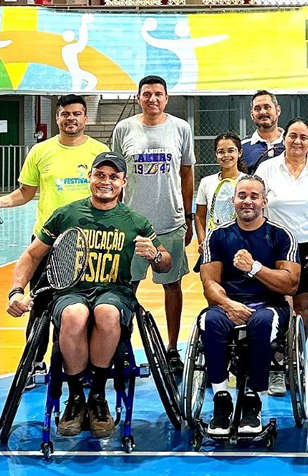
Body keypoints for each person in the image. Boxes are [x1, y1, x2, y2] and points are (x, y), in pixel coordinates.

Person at [6, 152, 172, 438]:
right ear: (89, 177)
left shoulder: (135, 220)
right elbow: (32, 256)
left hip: (114, 292)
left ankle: (97, 396)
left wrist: (155, 256)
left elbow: (165, 261)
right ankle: (75, 398)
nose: (106, 181)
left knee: (106, 313)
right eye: (100, 175)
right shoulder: (67, 214)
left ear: (124, 182)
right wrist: (16, 292)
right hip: (71, 292)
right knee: (74, 314)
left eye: (113, 177)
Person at [0, 94, 108, 387]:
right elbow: (25, 193)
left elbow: (110, 193)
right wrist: (0, 202)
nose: (71, 118)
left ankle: (84, 364)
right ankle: (34, 363)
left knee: (87, 306)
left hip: (90, 241)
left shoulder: (99, 151)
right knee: (39, 305)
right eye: (65, 114)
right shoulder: (40, 151)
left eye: (76, 113)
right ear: (57, 117)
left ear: (85, 118)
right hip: (48, 241)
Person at [200, 175, 300, 435]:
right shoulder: (217, 236)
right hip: (228, 304)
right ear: (233, 201)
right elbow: (209, 283)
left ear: (264, 202)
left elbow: (290, 284)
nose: (248, 201)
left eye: (254, 196)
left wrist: (254, 268)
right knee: (209, 320)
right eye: (242, 196)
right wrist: (228, 304)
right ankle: (221, 399)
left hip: (269, 304)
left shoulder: (281, 235)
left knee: (263, 322)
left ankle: (253, 400)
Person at [111, 75, 195, 373]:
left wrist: (188, 216)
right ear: (138, 98)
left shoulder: (181, 128)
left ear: (166, 98)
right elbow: (115, 175)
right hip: (131, 227)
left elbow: (187, 174)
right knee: (127, 289)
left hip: (170, 223)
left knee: (172, 286)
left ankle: (172, 349)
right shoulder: (124, 129)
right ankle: (122, 348)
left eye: (158, 94)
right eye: (147, 94)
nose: (153, 99)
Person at [255, 117, 308, 338]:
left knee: (303, 308)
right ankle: (277, 351)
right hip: (274, 248)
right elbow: (255, 206)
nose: (297, 141)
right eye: (292, 136)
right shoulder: (266, 168)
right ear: (284, 139)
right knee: (281, 306)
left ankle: (298, 353)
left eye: (304, 137)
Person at [193, 132, 247, 270]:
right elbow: (199, 215)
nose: (226, 155)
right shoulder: (206, 182)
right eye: (221, 152)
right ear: (216, 154)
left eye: (231, 150)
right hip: (214, 243)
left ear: (239, 153)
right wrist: (202, 240)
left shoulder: (249, 181)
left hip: (243, 244)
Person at [242, 90, 285, 174]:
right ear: (252, 115)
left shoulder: (293, 144)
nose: (262, 112)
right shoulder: (242, 147)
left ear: (278, 110)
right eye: (257, 109)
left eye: (267, 107)